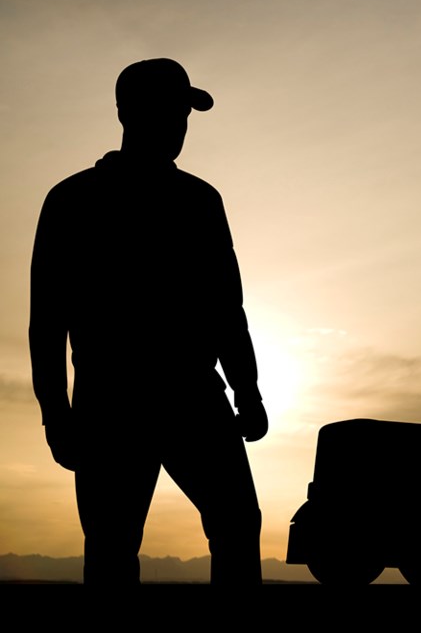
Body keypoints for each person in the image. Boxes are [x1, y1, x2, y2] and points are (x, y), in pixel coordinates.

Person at [29, 58, 268, 584]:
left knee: (232, 523)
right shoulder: (74, 200)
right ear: (128, 113)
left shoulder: (199, 201)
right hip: (120, 401)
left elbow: (226, 308)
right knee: (115, 544)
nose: (179, 126)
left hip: (178, 398)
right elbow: (47, 320)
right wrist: (56, 413)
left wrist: (246, 392)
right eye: (171, 111)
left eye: (183, 114)